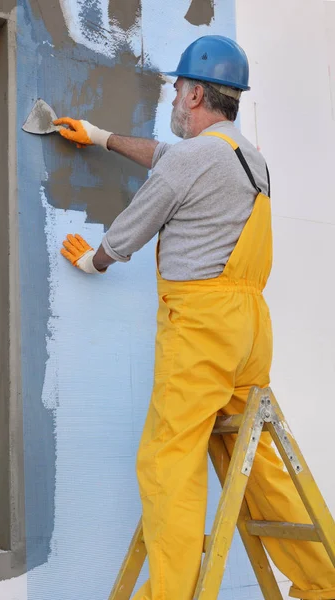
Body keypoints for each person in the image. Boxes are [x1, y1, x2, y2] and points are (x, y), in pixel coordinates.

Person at [54, 35, 335, 600]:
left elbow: (137, 223)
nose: (174, 99)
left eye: (179, 90)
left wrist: (95, 260)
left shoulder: (194, 159)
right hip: (248, 329)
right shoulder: (245, 158)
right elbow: (168, 158)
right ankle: (323, 581)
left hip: (201, 329)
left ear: (198, 93)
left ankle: (172, 594)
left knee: (167, 461)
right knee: (254, 463)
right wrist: (103, 138)